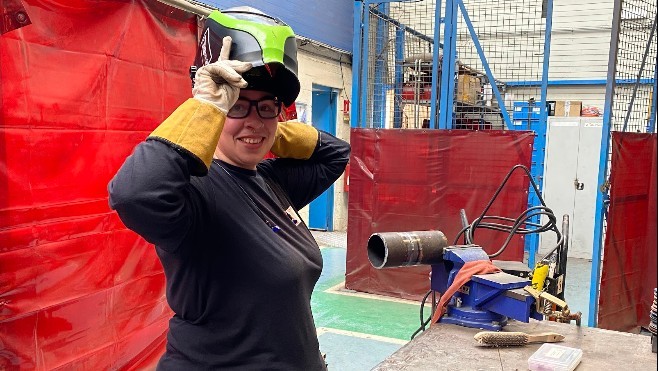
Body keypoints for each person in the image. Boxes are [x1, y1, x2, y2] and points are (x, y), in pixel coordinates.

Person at [108, 7, 350, 370]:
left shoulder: (270, 181)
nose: (254, 118)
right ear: (214, 112)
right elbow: (134, 194)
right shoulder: (195, 191)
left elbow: (335, 153)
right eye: (237, 105)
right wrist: (206, 109)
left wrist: (263, 130)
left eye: (266, 107)